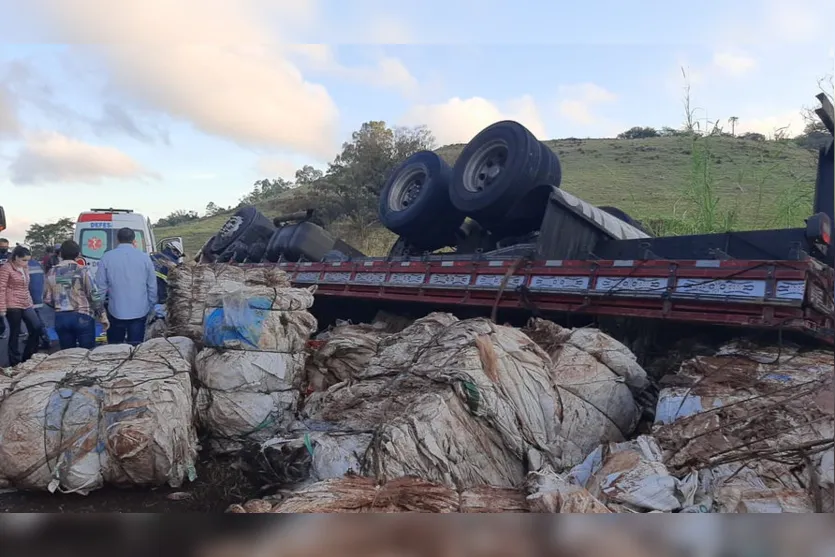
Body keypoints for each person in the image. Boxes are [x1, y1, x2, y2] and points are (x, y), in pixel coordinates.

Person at [95, 227, 156, 346]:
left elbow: (100, 287)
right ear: (133, 240)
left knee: (115, 349)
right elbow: (152, 285)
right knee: (135, 348)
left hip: (115, 311)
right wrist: (151, 305)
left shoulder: (107, 257)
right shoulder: (144, 258)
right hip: (140, 311)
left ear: (117, 239)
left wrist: (99, 308)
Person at [44, 240, 109, 350]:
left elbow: (47, 298)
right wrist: (103, 316)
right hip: (82, 316)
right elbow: (93, 295)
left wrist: (60, 304)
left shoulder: (52, 272)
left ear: (61, 254)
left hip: (61, 318)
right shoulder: (83, 271)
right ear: (78, 254)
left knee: (68, 354)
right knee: (86, 354)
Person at [0, 245, 45, 365]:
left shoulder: (25, 269)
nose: (26, 263)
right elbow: (1, 288)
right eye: (23, 260)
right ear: (15, 258)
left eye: (28, 260)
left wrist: (30, 301)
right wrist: (2, 307)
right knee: (14, 333)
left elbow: (26, 287)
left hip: (26, 302)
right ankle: (14, 361)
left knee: (36, 327)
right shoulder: (6, 268)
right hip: (12, 303)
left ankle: (28, 356)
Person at [26, 255, 52, 349]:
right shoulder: (36, 264)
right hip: (37, 296)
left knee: (36, 321)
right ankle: (40, 339)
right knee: (36, 319)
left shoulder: (24, 264)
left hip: (29, 298)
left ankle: (44, 340)